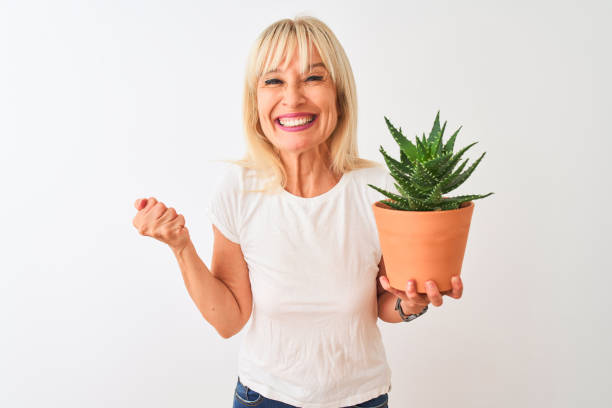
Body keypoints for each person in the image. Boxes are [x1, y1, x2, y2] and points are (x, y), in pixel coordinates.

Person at [132, 15, 463, 408]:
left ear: (339, 95)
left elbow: (382, 303)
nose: (292, 98)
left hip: (362, 397)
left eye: (313, 78)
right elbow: (229, 321)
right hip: (264, 397)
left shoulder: (378, 190)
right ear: (255, 102)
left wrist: (411, 304)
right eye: (273, 81)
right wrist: (181, 246)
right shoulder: (239, 191)